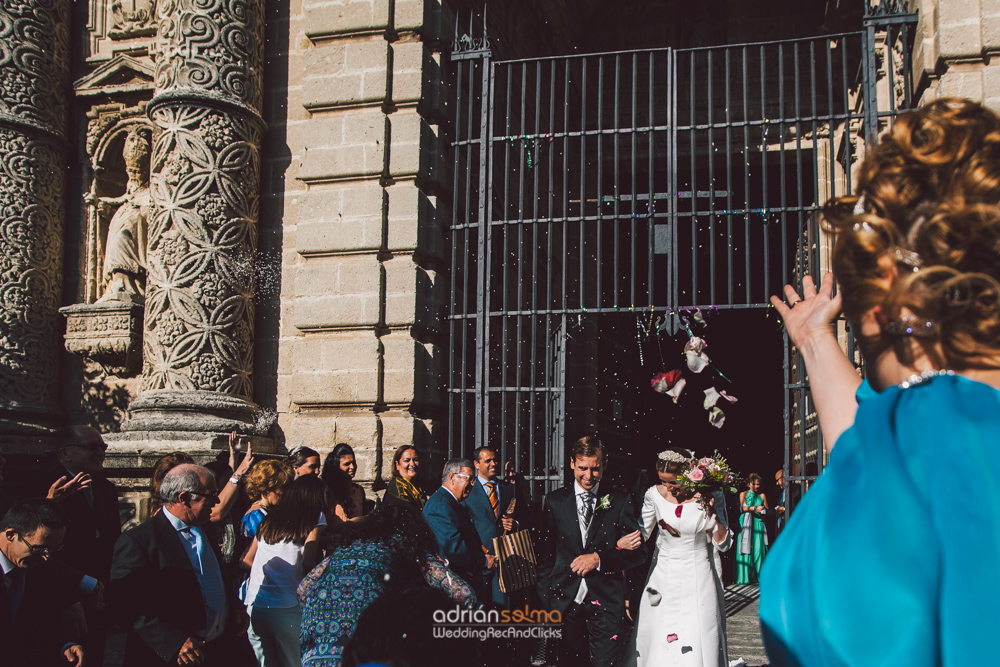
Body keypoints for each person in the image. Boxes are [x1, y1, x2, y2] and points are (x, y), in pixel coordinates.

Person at [761, 98, 1000, 666]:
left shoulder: (928, 433)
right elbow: (868, 443)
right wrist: (817, 341)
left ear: (886, 284)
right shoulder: (916, 436)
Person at [298, 502, 477, 666]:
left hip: (313, 644)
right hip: (362, 648)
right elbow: (463, 593)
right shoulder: (407, 546)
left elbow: (303, 589)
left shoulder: (345, 549)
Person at [109, 464, 252, 666]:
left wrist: (234, 606)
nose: (217, 501)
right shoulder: (139, 541)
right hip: (173, 656)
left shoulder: (206, 528)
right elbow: (127, 605)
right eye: (211, 496)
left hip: (218, 647)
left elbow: (214, 574)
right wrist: (173, 641)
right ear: (184, 498)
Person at [536, 436, 646, 667]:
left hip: (605, 600)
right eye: (583, 468)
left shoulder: (620, 500)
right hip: (565, 600)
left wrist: (599, 558)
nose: (589, 476)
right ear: (572, 464)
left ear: (604, 466)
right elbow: (545, 558)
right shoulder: (555, 501)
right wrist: (546, 605)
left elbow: (639, 553)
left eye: (595, 469)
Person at [620, 449, 731, 667]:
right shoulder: (653, 495)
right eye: (664, 482)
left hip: (699, 574)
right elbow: (643, 532)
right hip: (663, 574)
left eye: (674, 482)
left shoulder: (712, 496)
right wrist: (622, 542)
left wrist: (712, 517)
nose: (670, 488)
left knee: (698, 634)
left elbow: (725, 544)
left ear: (688, 474)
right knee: (659, 633)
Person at [39, 426, 121, 665]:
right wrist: (51, 503)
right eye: (91, 447)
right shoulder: (43, 484)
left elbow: (111, 540)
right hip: (60, 591)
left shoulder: (105, 488)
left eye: (103, 447)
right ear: (65, 453)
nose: (100, 453)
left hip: (98, 592)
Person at [241, 475, 328, 667]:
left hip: (257, 605)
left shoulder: (270, 518)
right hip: (288, 605)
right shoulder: (315, 516)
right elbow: (308, 564)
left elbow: (246, 560)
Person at [0, 499, 85, 667]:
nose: (46, 556)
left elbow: (35, 620)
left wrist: (64, 645)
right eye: (39, 548)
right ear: (11, 535)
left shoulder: (35, 566)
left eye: (54, 549)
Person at [422, 458, 492, 599]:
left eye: (474, 480)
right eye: (470, 479)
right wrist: (483, 561)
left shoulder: (451, 503)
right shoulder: (440, 505)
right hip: (456, 585)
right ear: (452, 477)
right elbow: (452, 548)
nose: (473, 484)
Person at [464, 446, 515, 606]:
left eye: (495, 459)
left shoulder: (509, 489)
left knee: (501, 611)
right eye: (488, 461)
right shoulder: (468, 490)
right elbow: (464, 524)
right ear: (476, 464)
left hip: (504, 560)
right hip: (480, 560)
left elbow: (525, 519)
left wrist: (515, 523)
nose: (493, 463)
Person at [237, 458, 294, 602]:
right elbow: (247, 559)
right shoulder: (257, 516)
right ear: (268, 488)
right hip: (256, 586)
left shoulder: (265, 513)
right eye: (283, 487)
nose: (286, 493)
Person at [735, 473, 768, 584]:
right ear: (749, 484)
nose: (756, 486)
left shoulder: (762, 495)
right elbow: (743, 507)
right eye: (754, 484)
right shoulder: (743, 494)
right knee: (746, 549)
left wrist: (763, 510)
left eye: (758, 484)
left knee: (759, 550)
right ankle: (746, 577)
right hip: (746, 524)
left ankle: (759, 576)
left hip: (758, 523)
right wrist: (754, 508)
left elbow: (767, 510)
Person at [321, 444, 366, 522]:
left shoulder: (359, 490)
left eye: (353, 463)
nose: (352, 467)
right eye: (346, 464)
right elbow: (327, 524)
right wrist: (356, 521)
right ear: (336, 466)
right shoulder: (330, 492)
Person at [773, 468, 800, 536]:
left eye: (777, 480)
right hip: (781, 529)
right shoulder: (783, 492)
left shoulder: (796, 489)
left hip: (791, 528)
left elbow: (799, 506)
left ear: (783, 477)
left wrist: (784, 509)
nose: (777, 483)